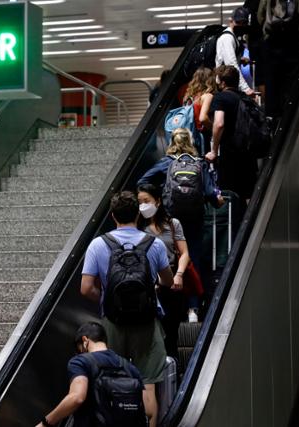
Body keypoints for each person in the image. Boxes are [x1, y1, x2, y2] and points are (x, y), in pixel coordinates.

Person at [81, 191, 174, 427]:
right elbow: (168, 281)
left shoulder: (98, 245)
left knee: (112, 381)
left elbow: (86, 288)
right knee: (147, 383)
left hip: (112, 322)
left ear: (113, 216)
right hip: (146, 322)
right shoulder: (154, 245)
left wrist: (106, 299)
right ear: (138, 215)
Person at [137, 128, 223, 283]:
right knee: (192, 253)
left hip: (171, 215)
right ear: (191, 142)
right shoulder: (199, 163)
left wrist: (161, 196)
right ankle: (194, 303)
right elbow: (211, 193)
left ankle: (170, 293)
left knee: (169, 251)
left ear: (172, 142)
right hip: (195, 217)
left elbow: (142, 182)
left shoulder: (166, 163)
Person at [35, 322, 147, 427]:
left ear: (85, 340)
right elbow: (141, 409)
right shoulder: (129, 367)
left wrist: (45, 423)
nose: (81, 353)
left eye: (79, 349)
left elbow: (77, 397)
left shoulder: (81, 361)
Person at [137, 184, 195, 360]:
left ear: (158, 201)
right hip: (148, 285)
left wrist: (179, 274)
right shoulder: (138, 228)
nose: (142, 206)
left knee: (171, 331)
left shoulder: (172, 223)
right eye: (139, 202)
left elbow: (184, 252)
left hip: (171, 283)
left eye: (146, 201)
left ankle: (173, 369)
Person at [206, 65, 258, 203]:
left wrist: (213, 151)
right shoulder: (247, 99)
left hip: (230, 154)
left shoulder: (221, 98)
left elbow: (219, 123)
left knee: (229, 195)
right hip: (249, 154)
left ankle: (235, 223)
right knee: (247, 195)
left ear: (222, 82)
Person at [257, 0, 299, 118]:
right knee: (293, 82)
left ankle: (273, 119)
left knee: (272, 83)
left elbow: (260, 17)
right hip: (294, 45)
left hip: (272, 44)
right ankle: (292, 114)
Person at [215, 7, 255, 96]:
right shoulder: (227, 38)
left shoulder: (234, 37)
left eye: (243, 23)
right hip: (224, 85)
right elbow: (231, 64)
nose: (240, 25)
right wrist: (246, 89)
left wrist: (240, 60)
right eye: (238, 22)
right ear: (231, 21)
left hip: (229, 84)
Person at [183, 67, 217, 156]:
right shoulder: (207, 96)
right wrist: (215, 129)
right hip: (202, 137)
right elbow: (203, 118)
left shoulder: (188, 96)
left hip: (189, 135)